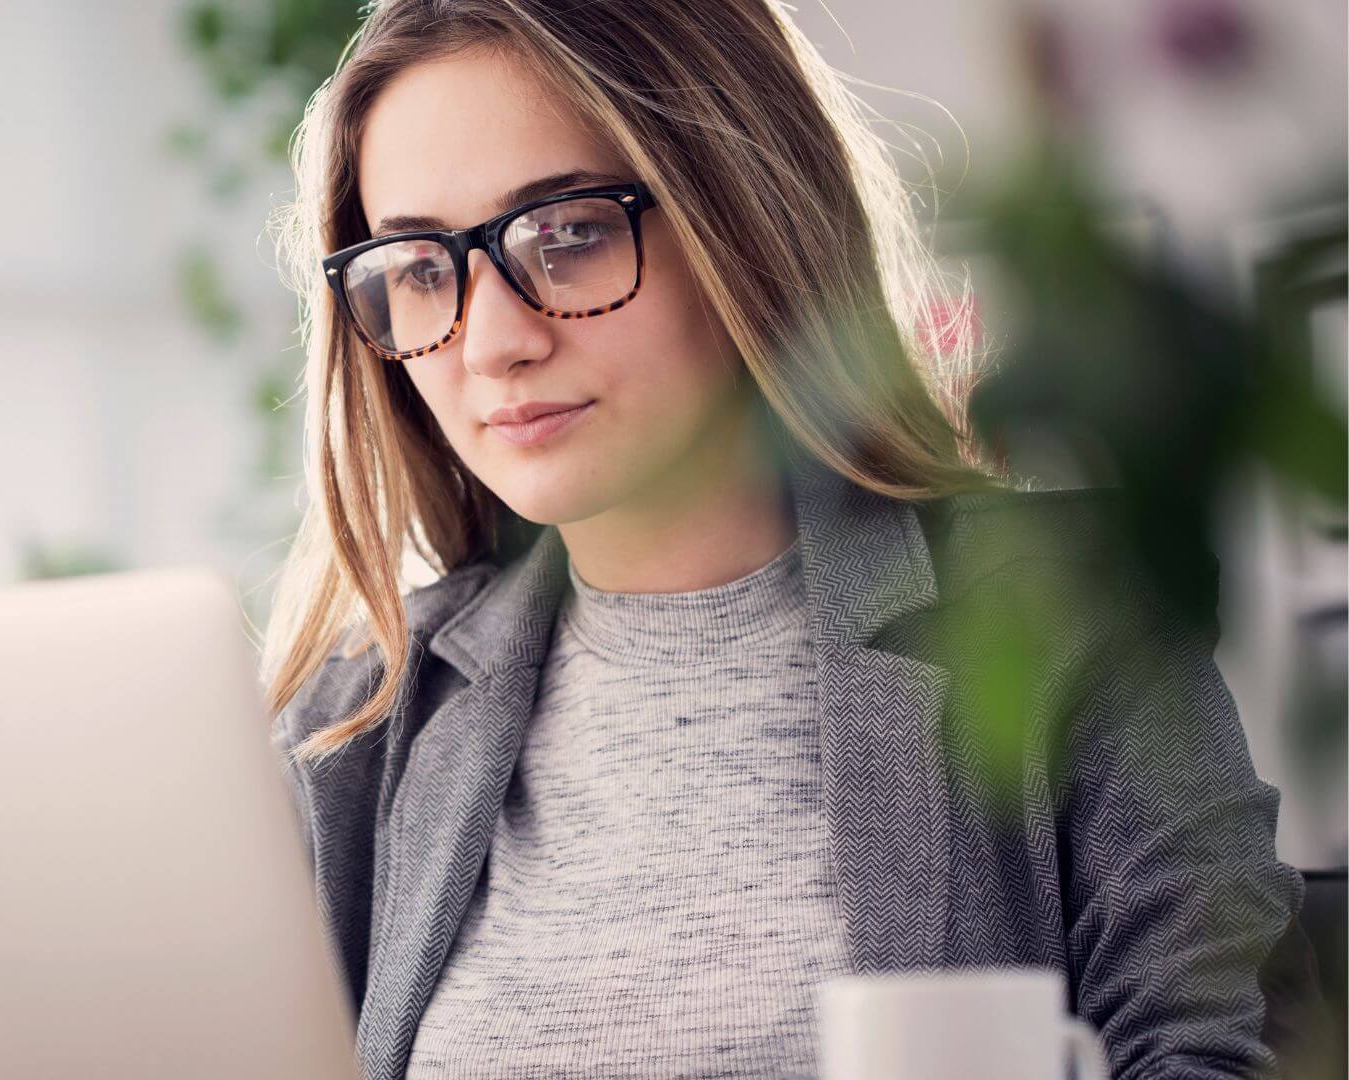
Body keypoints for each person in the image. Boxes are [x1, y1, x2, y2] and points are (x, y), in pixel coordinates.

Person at [256, 1, 1312, 1076]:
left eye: (567, 234)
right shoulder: (362, 724)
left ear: (745, 218)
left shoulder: (1065, 617)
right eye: (422, 268)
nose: (491, 343)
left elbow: (1217, 1049)